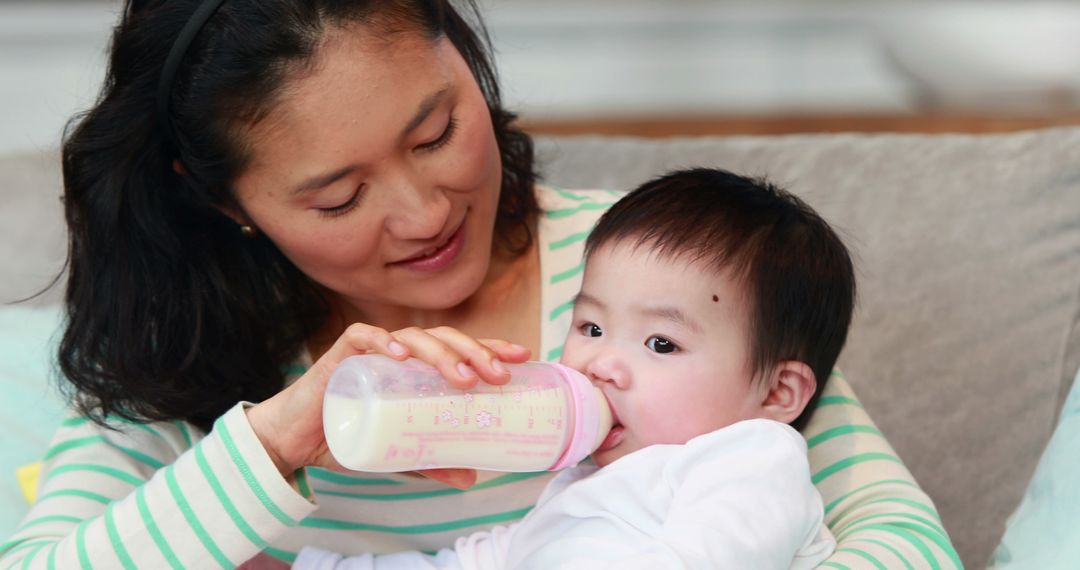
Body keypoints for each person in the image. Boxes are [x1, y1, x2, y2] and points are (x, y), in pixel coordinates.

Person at [0, 0, 959, 568]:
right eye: (338, 197)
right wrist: (289, 432)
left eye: (436, 132)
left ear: (465, 55)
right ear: (224, 201)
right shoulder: (184, 347)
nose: (425, 213)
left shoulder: (656, 279)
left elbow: (906, 545)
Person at [293, 167, 846, 570]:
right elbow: (473, 564)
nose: (602, 363)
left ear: (778, 392)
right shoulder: (581, 487)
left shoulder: (749, 463)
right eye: (591, 328)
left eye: (660, 342)